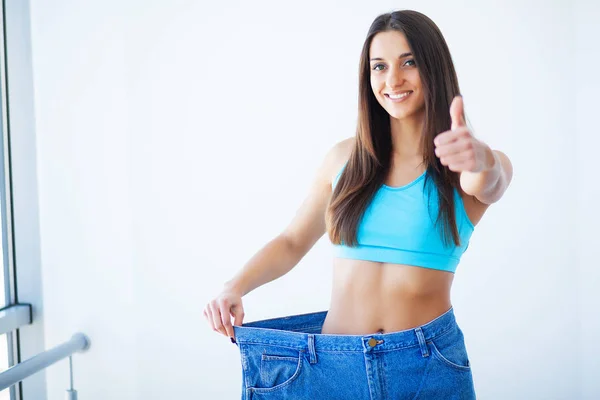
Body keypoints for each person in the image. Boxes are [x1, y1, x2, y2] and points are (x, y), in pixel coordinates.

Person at [204, 9, 513, 399]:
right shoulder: (343, 160)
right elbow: (292, 242)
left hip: (424, 367)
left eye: (409, 62)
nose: (393, 80)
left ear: (433, 67)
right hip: (329, 368)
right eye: (379, 66)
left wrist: (479, 157)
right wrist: (233, 287)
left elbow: (491, 180)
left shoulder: (465, 167)